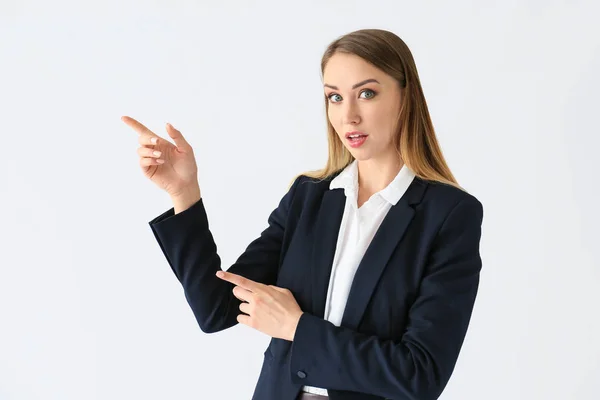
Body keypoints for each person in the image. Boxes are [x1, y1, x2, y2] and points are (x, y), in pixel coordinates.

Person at [122, 28, 484, 400]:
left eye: (367, 93)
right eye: (334, 97)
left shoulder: (449, 215)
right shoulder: (308, 199)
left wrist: (298, 328)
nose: (349, 116)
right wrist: (184, 193)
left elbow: (420, 376)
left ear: (405, 98)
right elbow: (216, 309)